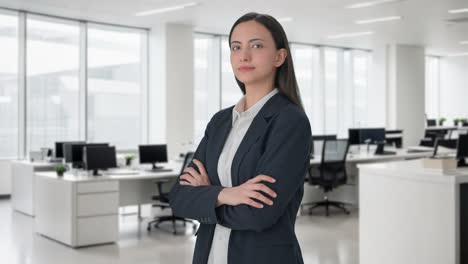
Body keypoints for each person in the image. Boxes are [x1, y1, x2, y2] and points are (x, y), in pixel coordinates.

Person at [170, 12, 312, 264]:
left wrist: (206, 195)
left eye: (256, 46)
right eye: (236, 47)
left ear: (279, 56)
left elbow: (259, 213)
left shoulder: (290, 121)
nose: (244, 56)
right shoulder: (220, 121)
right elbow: (179, 198)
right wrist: (227, 194)